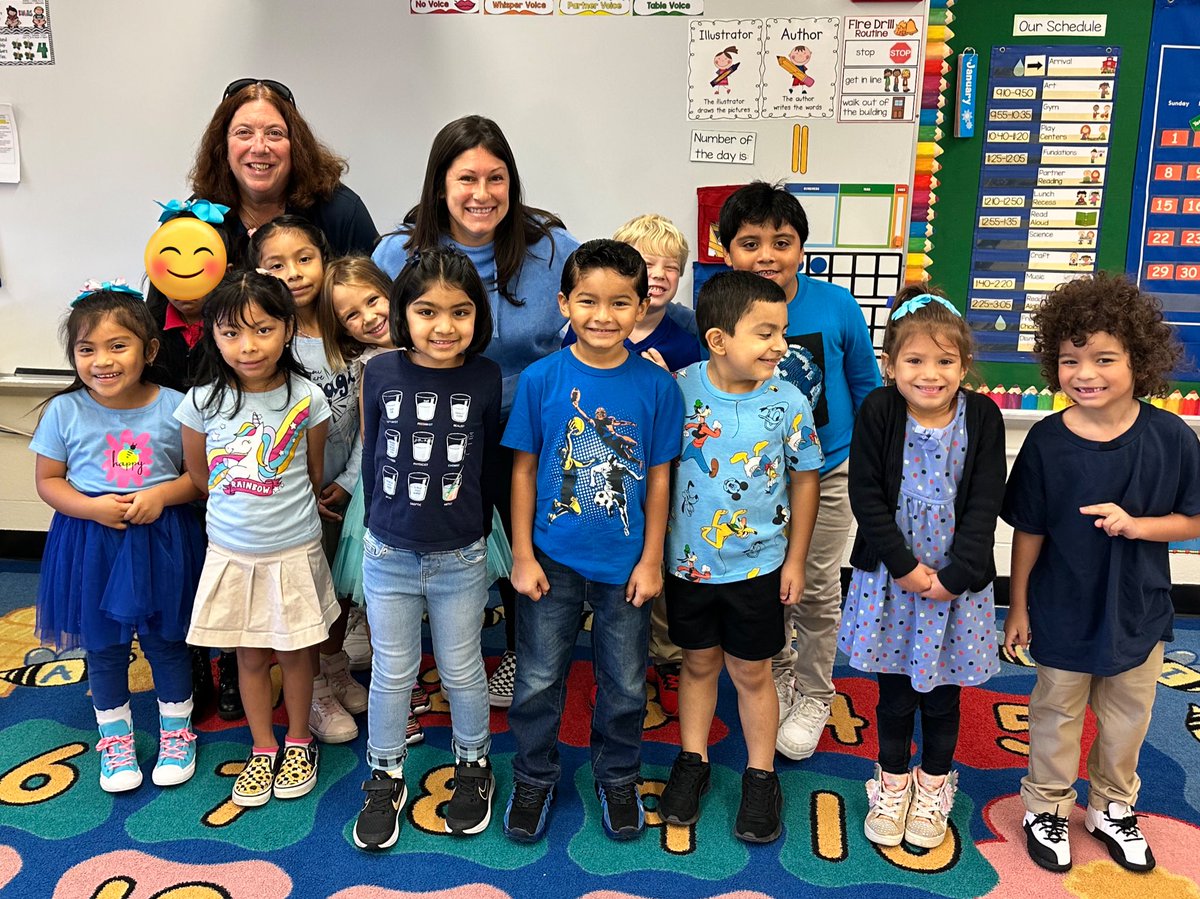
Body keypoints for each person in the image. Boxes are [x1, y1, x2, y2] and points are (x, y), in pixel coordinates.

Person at [373, 114, 581, 709]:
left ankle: (522, 649)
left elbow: (604, 305)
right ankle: (410, 658)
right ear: (440, 184)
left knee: (527, 542)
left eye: (496, 178)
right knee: (424, 539)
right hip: (432, 431)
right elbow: (367, 331)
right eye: (466, 178)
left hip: (528, 431)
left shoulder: (552, 249)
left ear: (513, 183)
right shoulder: (397, 253)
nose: (482, 194)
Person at [1002, 272, 1200, 874]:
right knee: (1056, 711)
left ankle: (1113, 807)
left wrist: (1138, 525)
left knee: (1127, 718)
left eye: (1104, 358)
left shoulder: (1170, 436)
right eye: (1069, 360)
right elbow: (1028, 529)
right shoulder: (1044, 440)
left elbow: (1192, 519)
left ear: (1139, 361)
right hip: (1061, 606)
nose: (1085, 374)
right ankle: (1047, 806)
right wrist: (1017, 605)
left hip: (1137, 609)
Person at [501, 239, 682, 843]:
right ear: (564, 303)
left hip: (626, 564)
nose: (603, 316)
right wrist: (522, 556)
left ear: (640, 307)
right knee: (537, 679)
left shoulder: (657, 388)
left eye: (620, 303)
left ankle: (618, 775)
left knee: (626, 684)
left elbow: (659, 480)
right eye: (588, 301)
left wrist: (652, 559)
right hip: (549, 560)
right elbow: (523, 470)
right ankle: (534, 775)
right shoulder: (540, 378)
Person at [718, 181, 881, 761]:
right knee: (765, 586)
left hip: (829, 471)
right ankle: (780, 669)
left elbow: (866, 387)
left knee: (812, 588)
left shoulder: (836, 305)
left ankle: (815, 691)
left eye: (781, 242)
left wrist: (872, 463)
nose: (766, 255)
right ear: (726, 251)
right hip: (752, 479)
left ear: (801, 249)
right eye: (750, 243)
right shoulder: (721, 306)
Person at [659, 271, 822, 843]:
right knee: (697, 663)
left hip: (759, 566)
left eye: (783, 331)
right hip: (688, 564)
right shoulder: (677, 391)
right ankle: (692, 760)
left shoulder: (789, 399)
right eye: (766, 332)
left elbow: (806, 480)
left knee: (753, 671)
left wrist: (797, 559)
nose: (781, 344)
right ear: (718, 339)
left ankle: (760, 774)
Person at [840, 287, 1005, 849]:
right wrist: (907, 568)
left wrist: (955, 576)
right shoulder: (880, 409)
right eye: (913, 360)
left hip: (957, 584)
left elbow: (986, 501)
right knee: (894, 695)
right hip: (892, 579)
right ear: (891, 364)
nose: (929, 374)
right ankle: (889, 782)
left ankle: (933, 785)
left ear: (964, 364)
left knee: (943, 695)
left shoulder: (981, 416)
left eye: (944, 361)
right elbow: (866, 495)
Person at [352, 248, 503, 849]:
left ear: (478, 316)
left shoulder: (486, 376)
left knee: (464, 669)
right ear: (402, 314)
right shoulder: (380, 371)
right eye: (427, 311)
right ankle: (385, 774)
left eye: (460, 312)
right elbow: (371, 459)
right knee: (393, 671)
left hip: (460, 556)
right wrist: (379, 529)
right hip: (387, 553)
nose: (445, 327)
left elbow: (489, 463)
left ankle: (474, 766)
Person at [31, 283, 205, 791]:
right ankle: (116, 741)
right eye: (86, 349)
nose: (101, 361)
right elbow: (48, 481)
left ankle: (177, 732)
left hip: (161, 540)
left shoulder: (178, 406)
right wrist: (90, 507)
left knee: (167, 642)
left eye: (117, 346)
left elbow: (201, 476)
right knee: (102, 648)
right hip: (90, 543)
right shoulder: (64, 412)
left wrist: (162, 496)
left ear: (149, 350)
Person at [176, 270, 340, 808]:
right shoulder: (200, 402)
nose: (248, 346)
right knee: (248, 656)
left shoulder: (307, 396)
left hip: (293, 549)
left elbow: (313, 471)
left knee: (296, 654)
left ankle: (297, 739)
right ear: (212, 337)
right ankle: (263, 746)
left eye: (263, 330)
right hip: (232, 553)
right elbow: (199, 477)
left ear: (288, 329)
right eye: (231, 334)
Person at [564, 212, 702, 715]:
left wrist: (675, 381)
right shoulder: (582, 332)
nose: (663, 274)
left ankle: (662, 661)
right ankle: (607, 661)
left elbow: (702, 396)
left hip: (667, 475)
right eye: (650, 264)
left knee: (658, 564)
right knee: (605, 577)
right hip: (603, 475)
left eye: (673, 266)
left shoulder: (688, 333)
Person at [251, 216, 368, 745]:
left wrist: (347, 479)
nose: (294, 274)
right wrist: (301, 488)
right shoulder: (269, 340)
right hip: (294, 493)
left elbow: (375, 419)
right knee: (303, 590)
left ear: (324, 259)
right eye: (276, 264)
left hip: (346, 483)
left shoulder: (348, 326)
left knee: (337, 587)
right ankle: (315, 688)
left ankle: (336, 664)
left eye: (304, 259)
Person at [143, 202, 242, 721]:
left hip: (231, 467)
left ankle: (228, 663)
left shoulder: (238, 321)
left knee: (224, 564)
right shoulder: (144, 323)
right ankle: (197, 663)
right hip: (170, 469)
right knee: (186, 571)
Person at [189, 79, 377, 260]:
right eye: (244, 132)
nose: (259, 147)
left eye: (274, 133)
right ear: (223, 148)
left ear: (296, 146)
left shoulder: (341, 212)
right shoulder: (196, 220)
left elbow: (378, 288)